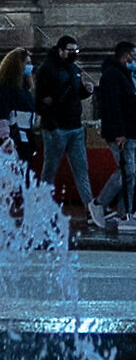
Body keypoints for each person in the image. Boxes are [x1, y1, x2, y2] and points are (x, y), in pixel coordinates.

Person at [35, 35, 98, 223]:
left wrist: (86, 91)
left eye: (76, 51)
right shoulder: (47, 70)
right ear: (61, 50)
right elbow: (40, 101)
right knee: (50, 169)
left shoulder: (74, 68)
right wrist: (52, 126)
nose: (74, 54)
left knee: (81, 169)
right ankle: (42, 207)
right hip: (57, 128)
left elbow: (74, 94)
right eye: (70, 50)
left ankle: (89, 208)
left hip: (75, 127)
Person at [98, 43, 136, 222]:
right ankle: (100, 203)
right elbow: (113, 106)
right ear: (126, 55)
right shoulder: (112, 75)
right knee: (127, 170)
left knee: (131, 172)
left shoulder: (125, 74)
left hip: (131, 130)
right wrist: (119, 132)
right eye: (134, 55)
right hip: (121, 132)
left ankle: (125, 211)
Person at [0, 47, 39, 172]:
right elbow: (1, 114)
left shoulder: (24, 90)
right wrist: (5, 136)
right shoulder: (7, 89)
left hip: (25, 138)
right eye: (27, 63)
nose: (30, 67)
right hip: (15, 137)